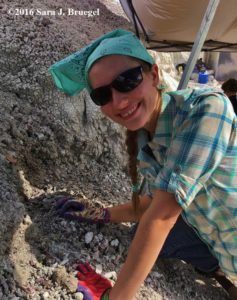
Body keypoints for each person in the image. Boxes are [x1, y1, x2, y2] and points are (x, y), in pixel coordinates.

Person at [49, 29, 237, 300]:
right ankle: (216, 270)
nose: (119, 101)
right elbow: (151, 205)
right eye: (102, 95)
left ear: (155, 75)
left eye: (127, 80)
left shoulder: (206, 110)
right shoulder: (147, 138)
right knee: (144, 232)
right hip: (221, 242)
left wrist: (114, 297)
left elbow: (162, 217)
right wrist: (103, 214)